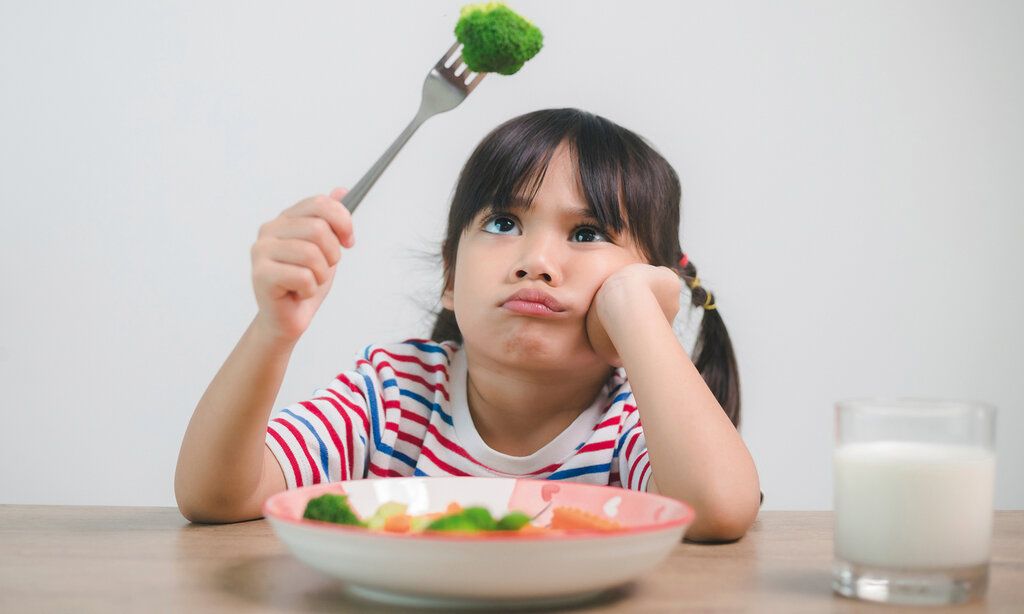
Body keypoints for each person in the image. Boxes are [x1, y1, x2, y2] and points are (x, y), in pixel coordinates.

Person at [175, 108, 761, 541]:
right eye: (504, 223)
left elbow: (717, 510)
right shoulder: (393, 394)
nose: (536, 261)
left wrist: (638, 313)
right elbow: (217, 496)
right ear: (451, 276)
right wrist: (273, 332)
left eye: (587, 234)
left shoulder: (634, 422)